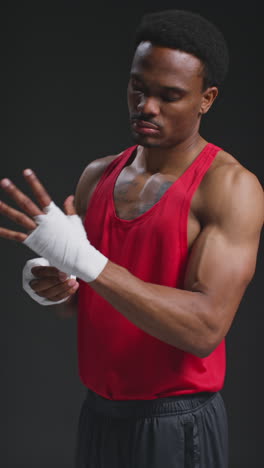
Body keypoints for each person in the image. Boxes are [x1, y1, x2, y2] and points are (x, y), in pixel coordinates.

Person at [1, 9, 263, 468]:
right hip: (99, 414)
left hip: (177, 424)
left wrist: (88, 262)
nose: (147, 106)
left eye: (170, 96)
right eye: (138, 88)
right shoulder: (97, 176)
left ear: (207, 99)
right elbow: (82, 299)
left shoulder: (229, 188)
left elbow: (204, 328)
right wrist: (52, 281)